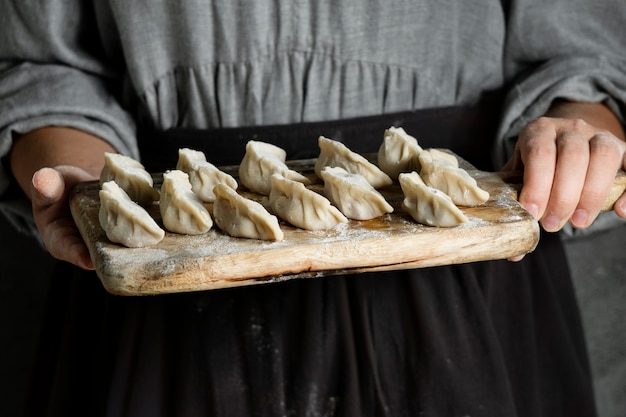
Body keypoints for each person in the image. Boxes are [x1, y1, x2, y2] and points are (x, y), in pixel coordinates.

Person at [1, 0, 625, 416]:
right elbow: (41, 64)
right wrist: (86, 187)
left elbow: (579, 52)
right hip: (168, 263)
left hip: (464, 279)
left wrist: (576, 134)